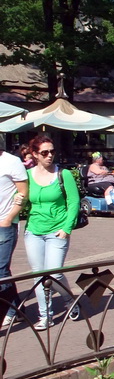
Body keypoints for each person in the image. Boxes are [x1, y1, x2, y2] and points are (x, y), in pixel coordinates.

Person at [23, 133, 80, 329]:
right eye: (45, 152)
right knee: (39, 275)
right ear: (35, 154)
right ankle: (45, 315)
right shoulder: (28, 176)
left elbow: (74, 202)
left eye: (52, 151)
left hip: (57, 230)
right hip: (34, 231)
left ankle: (68, 298)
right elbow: (20, 197)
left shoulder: (62, 174)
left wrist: (67, 228)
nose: (49, 155)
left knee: (54, 273)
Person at [0, 135, 28, 328]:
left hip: (4, 224)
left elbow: (23, 193)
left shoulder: (11, 161)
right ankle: (17, 308)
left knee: (0, 271)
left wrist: (8, 218)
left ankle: (7, 312)